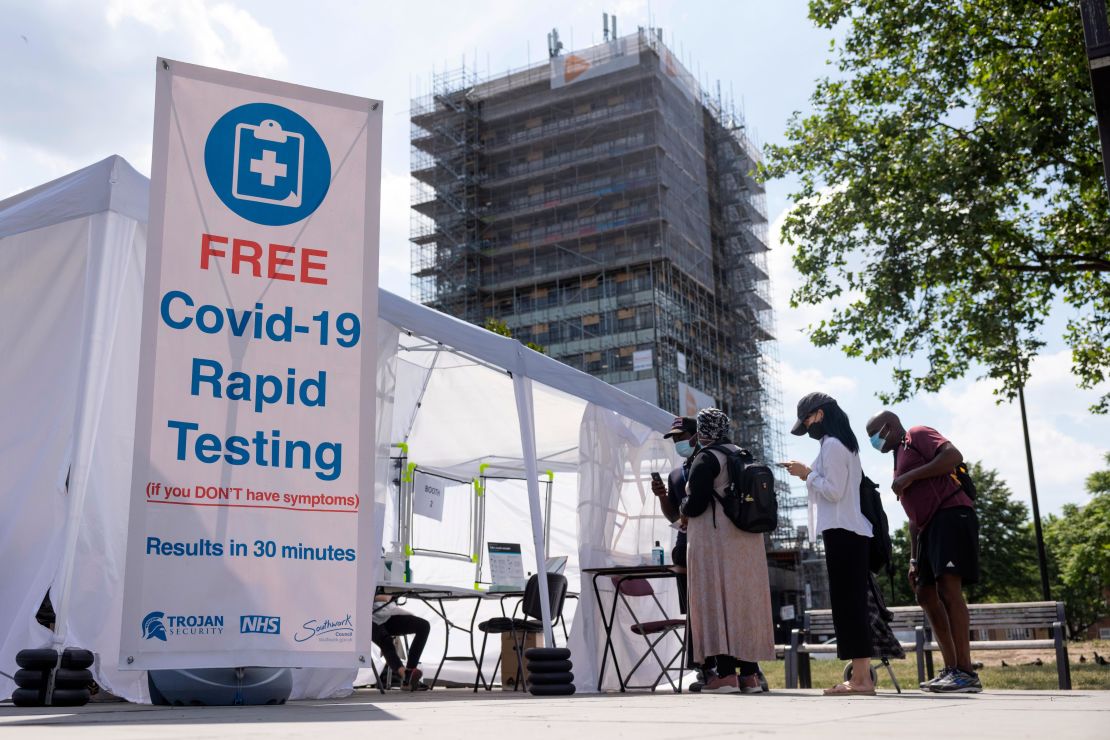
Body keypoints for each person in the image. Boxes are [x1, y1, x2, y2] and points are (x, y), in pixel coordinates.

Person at [866, 410, 981, 693]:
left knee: (948, 589)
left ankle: (966, 672)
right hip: (928, 526)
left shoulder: (916, 434)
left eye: (876, 434)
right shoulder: (897, 458)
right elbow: (913, 516)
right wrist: (914, 558)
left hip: (951, 515)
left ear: (890, 426)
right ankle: (951, 667)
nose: (874, 441)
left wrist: (911, 476)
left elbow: (953, 456)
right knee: (924, 592)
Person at [784, 392, 877, 696]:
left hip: (843, 531)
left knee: (848, 606)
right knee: (850, 605)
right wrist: (808, 475)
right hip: (847, 531)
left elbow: (834, 491)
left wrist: (807, 474)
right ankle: (860, 677)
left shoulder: (834, 446)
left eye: (808, 419)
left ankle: (861, 680)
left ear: (820, 415)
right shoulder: (841, 445)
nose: (807, 426)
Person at [679, 408, 775, 694]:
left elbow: (695, 503)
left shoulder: (706, 458)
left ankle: (725, 674)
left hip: (715, 541)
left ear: (702, 431)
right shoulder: (743, 454)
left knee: (716, 601)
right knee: (744, 603)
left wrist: (682, 508)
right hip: (747, 542)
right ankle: (749, 675)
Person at [372, 594, 431, 691]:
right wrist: (380, 597)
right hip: (364, 616)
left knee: (423, 626)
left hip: (385, 613)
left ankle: (409, 676)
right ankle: (406, 675)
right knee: (386, 640)